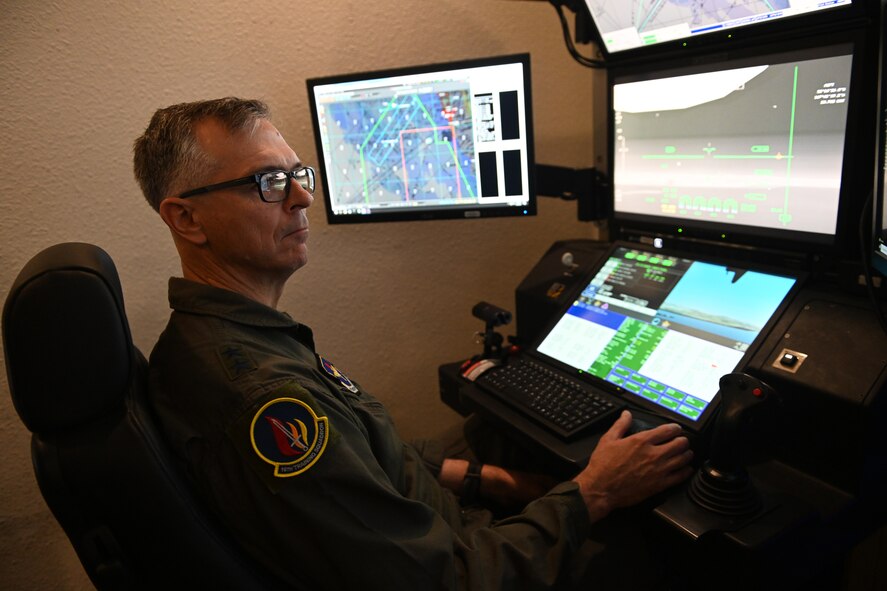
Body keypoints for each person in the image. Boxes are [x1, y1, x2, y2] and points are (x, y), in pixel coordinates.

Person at [132, 97, 693, 590]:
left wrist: (486, 479)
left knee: (489, 441)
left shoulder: (232, 338)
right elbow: (450, 580)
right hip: (462, 560)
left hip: (443, 526)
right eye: (270, 182)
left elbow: (370, 458)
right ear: (188, 219)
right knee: (666, 545)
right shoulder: (263, 397)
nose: (303, 197)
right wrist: (593, 493)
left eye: (298, 173)